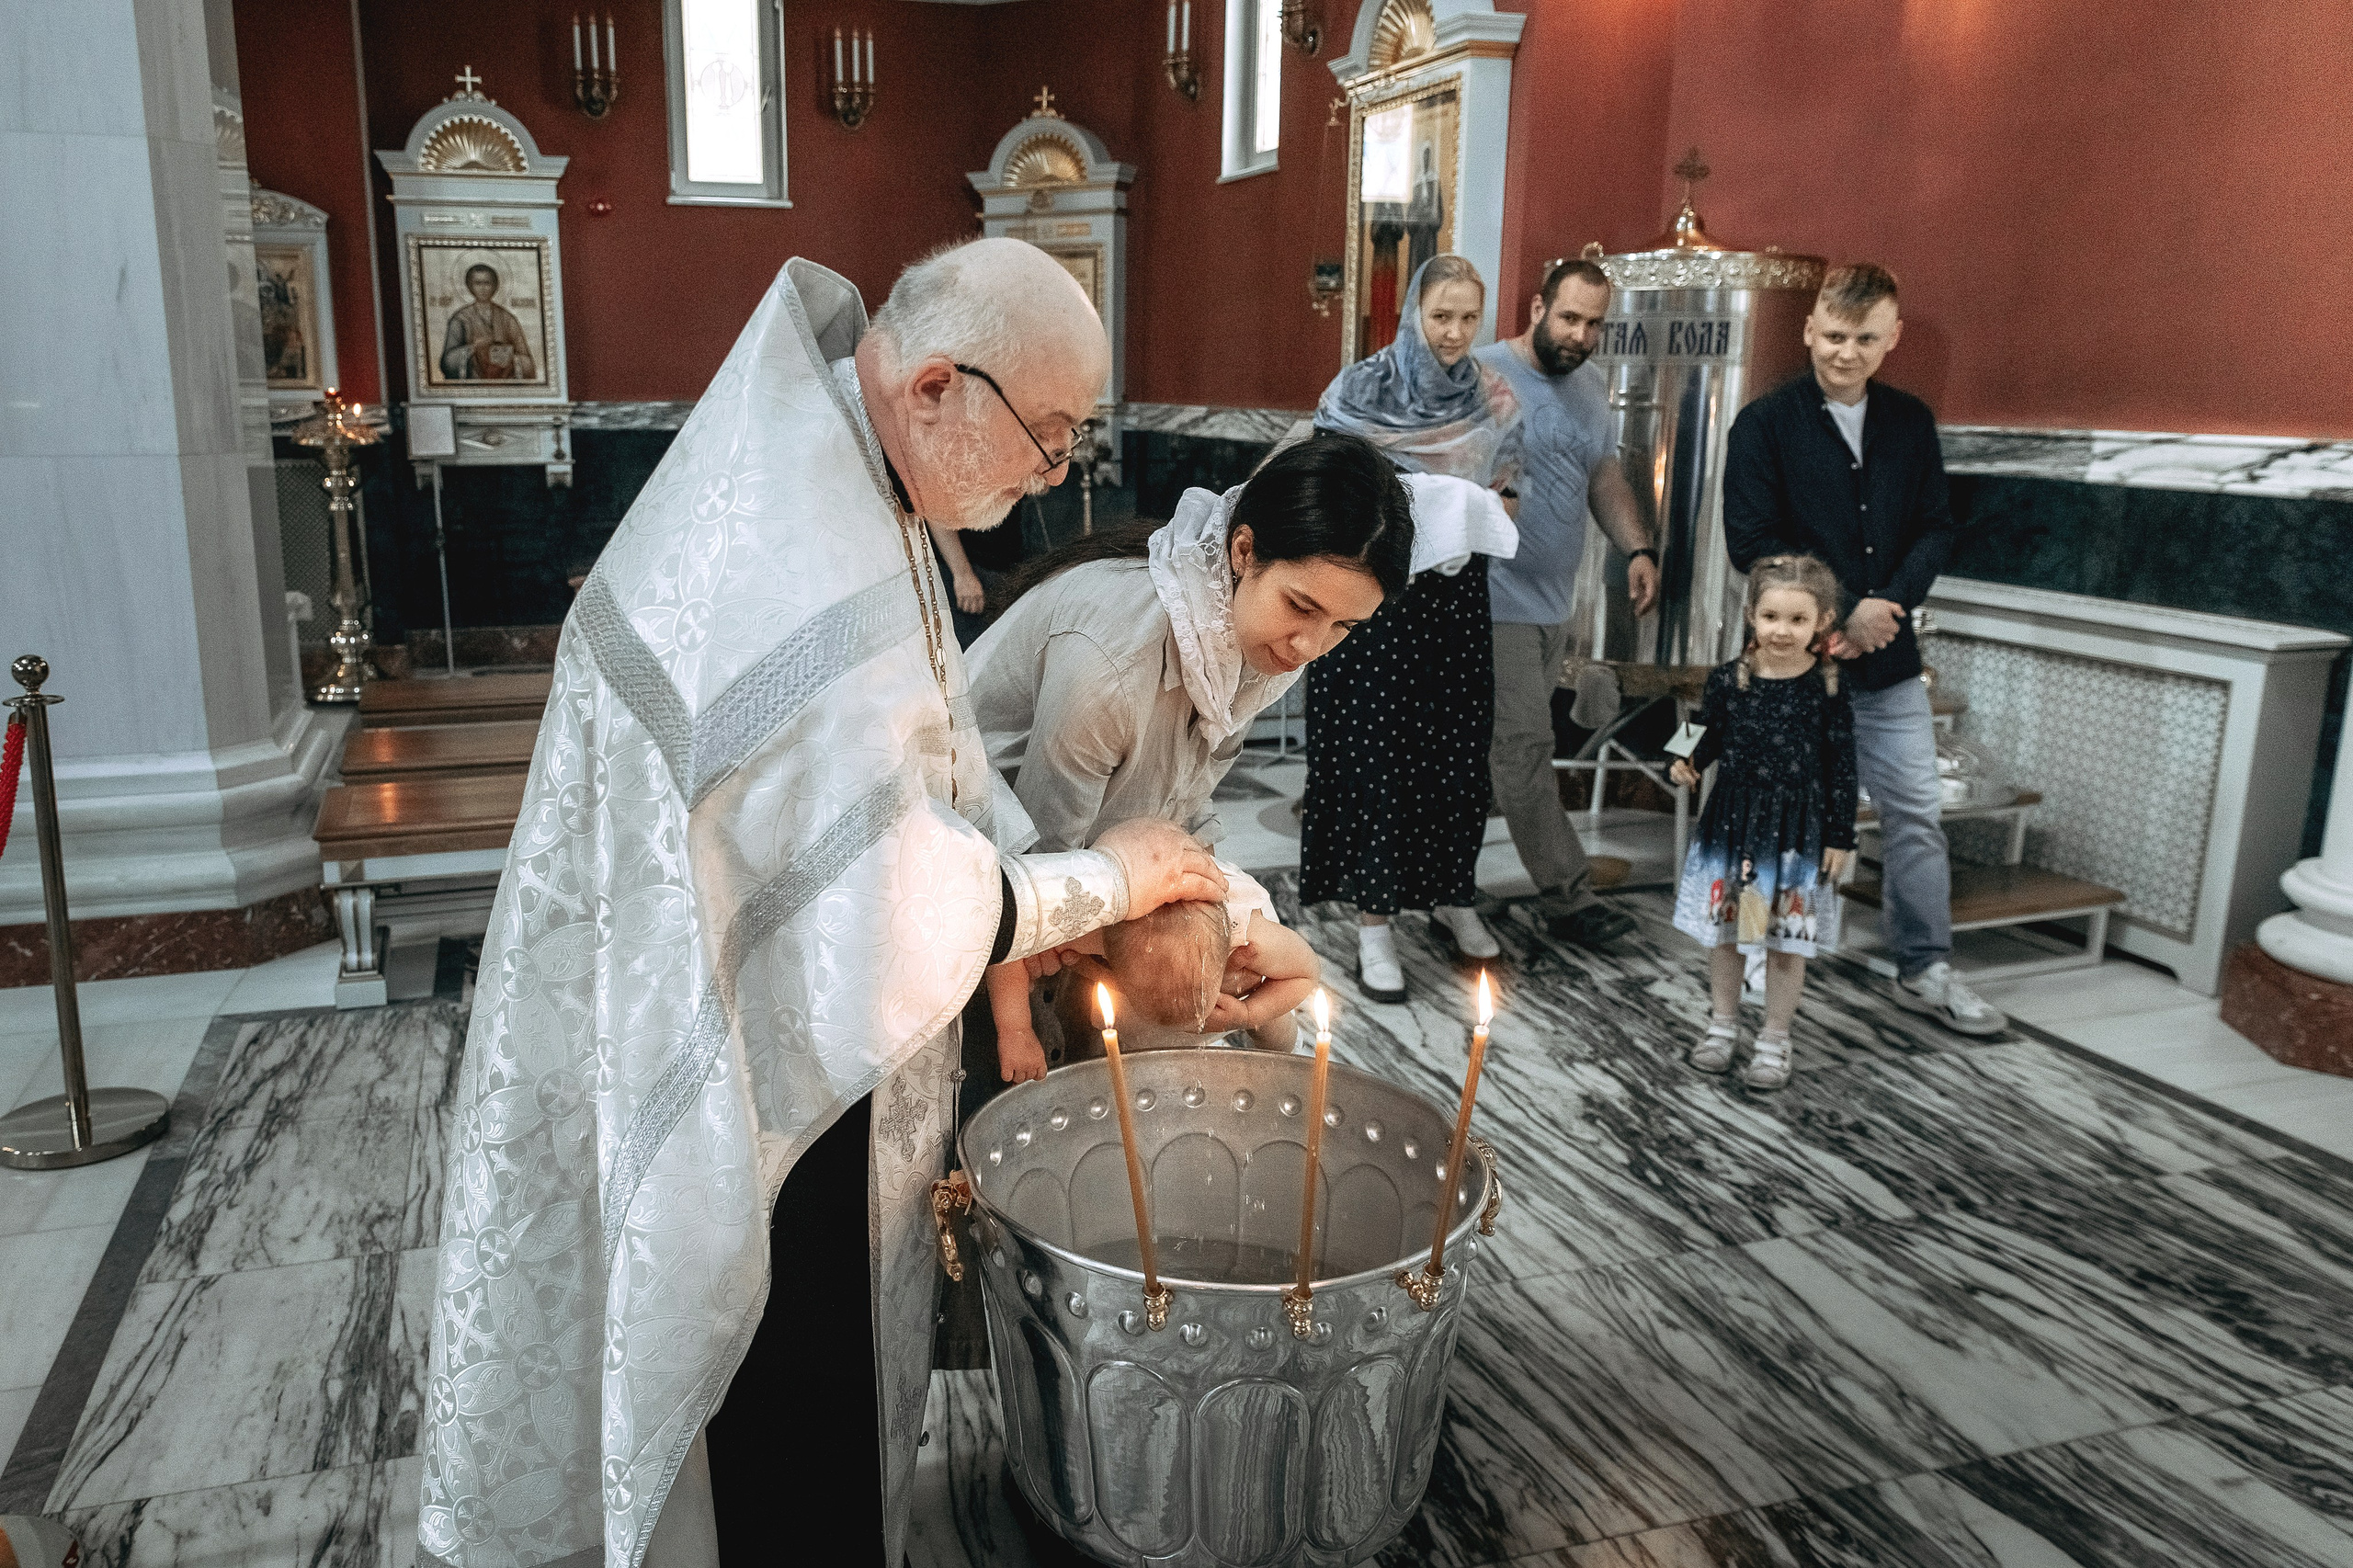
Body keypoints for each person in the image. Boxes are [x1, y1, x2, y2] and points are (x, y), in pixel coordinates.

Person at [415, 239, 1231, 1568]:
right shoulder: (804, 553)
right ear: (931, 389)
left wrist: (1096, 896)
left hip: (776, 1016)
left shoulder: (852, 471)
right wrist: (1111, 879)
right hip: (753, 1080)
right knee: (792, 1415)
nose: (1053, 475)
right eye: (1049, 435)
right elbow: (884, 903)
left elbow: (941, 763)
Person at [1723, 261, 2006, 1036]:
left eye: (1866, 339)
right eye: (1835, 335)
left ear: (1893, 340)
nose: (1847, 353)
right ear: (1810, 329)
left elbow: (1935, 526)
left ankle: (1926, 965)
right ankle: (1759, 955)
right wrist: (1844, 611)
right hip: (1796, 665)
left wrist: (1890, 607)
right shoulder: (1763, 426)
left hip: (1887, 662)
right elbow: (1751, 542)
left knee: (1916, 812)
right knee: (1782, 817)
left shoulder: (1911, 424)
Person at [968, 433, 1414, 858]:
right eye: (1301, 606)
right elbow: (1044, 869)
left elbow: (1182, 793)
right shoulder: (1112, 660)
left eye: (1345, 626)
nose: (1311, 647)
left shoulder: (1246, 635)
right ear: (1243, 550)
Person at [1303, 254, 1521, 1003]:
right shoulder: (1361, 388)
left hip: (1456, 596)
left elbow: (1508, 481)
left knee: (1456, 746)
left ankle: (1451, 896)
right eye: (1441, 317)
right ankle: (1374, 921)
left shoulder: (1493, 395)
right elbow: (1327, 476)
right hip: (1376, 593)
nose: (1455, 332)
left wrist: (1493, 509)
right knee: (1379, 751)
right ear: (1413, 316)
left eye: (1468, 318)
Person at [1473, 257, 1662, 950]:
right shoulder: (1484, 372)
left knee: (1497, 749)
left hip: (1554, 602)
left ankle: (1446, 887)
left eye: (1594, 324)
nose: (1581, 334)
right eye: (1570, 318)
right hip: (1493, 599)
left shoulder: (1588, 386)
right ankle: (1568, 895)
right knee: (1524, 745)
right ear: (1537, 308)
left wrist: (1637, 547)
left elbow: (1602, 473)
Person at [1668, 555, 1858, 1088]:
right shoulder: (1730, 680)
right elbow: (1702, 728)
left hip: (1797, 836)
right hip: (1732, 825)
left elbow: (1844, 767)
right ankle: (1722, 1026)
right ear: (1752, 614)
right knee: (1726, 933)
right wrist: (1681, 758)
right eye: (1771, 616)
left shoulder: (1829, 688)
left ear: (1821, 622)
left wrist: (1842, 835)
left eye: (1797, 620)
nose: (1782, 630)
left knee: (1784, 940)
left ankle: (1775, 1040)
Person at [988, 862, 1320, 1077]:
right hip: (1130, 938)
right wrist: (1016, 1030)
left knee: (1279, 1036)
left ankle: (1287, 1054)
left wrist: (1248, 1013)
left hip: (1251, 984)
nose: (1189, 1027)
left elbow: (1306, 972)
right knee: (1133, 1053)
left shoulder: (1251, 940)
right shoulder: (1095, 926)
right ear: (1113, 963)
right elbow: (1009, 942)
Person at [438, 263, 536, 381]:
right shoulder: (460, 319)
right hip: (472, 385)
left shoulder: (507, 318)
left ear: (495, 286)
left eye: (487, 283)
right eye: (478, 283)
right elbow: (448, 362)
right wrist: (474, 347)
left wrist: (511, 357)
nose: (483, 288)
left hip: (504, 383)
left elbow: (528, 363)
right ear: (470, 286)